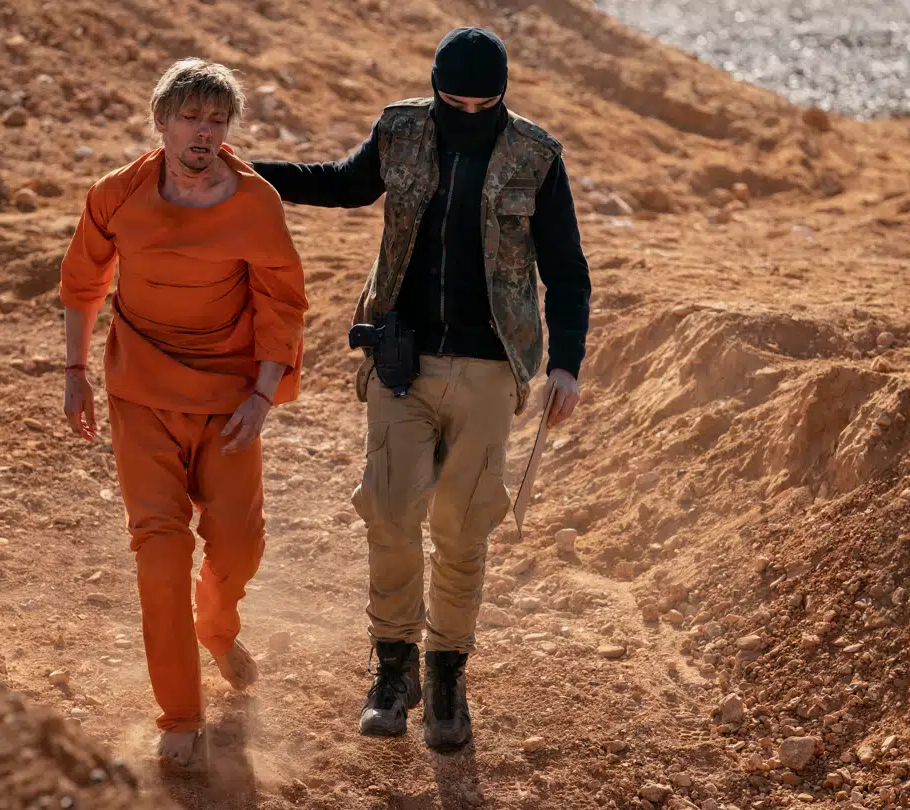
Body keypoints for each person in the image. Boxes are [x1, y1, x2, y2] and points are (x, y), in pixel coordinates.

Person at [252, 27, 591, 753]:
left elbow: (567, 269)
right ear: (434, 88)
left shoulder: (537, 156)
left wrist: (566, 364)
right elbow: (341, 184)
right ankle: (393, 669)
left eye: (482, 104)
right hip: (399, 359)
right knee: (388, 511)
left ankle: (445, 677)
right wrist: (247, 172)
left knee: (464, 530)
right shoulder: (400, 130)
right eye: (453, 101)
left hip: (490, 370)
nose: (466, 113)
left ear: (503, 96)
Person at [59, 58, 308, 771]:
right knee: (160, 553)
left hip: (229, 403)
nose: (204, 132)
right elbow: (82, 282)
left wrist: (262, 396)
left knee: (238, 547)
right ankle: (179, 715)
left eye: (217, 120)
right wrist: (75, 373)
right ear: (161, 121)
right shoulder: (117, 194)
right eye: (191, 118)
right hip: (140, 396)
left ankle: (217, 628)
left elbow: (282, 303)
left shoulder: (255, 203)